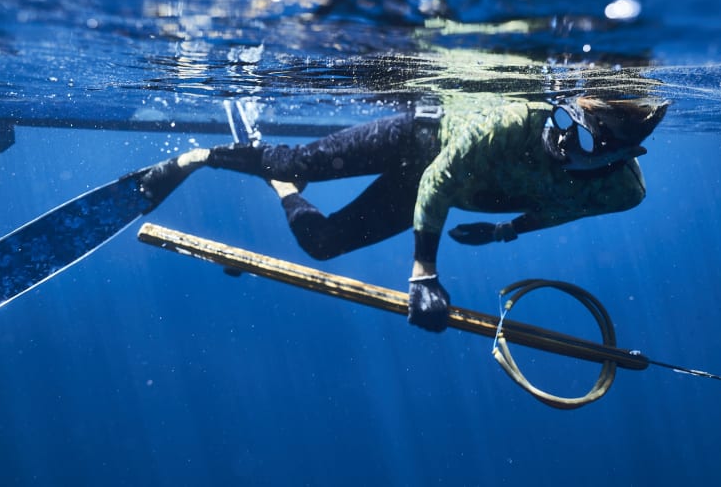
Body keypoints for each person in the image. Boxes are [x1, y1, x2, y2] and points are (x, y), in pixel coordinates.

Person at [155, 94, 668, 332]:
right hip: (416, 141)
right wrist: (424, 272)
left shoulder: (621, 193)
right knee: (291, 157)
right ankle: (200, 157)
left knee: (322, 244)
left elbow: (563, 209)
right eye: (563, 117)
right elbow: (438, 180)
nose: (557, 136)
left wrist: (502, 232)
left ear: (620, 156)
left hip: (430, 188)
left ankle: (285, 187)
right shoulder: (516, 121)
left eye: (578, 136)